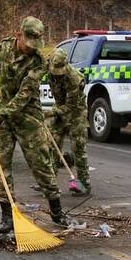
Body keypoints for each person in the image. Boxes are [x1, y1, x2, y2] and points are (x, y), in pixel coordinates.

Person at [0, 16, 66, 233]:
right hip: (4, 117)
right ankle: (7, 216)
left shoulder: (38, 61)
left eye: (35, 43)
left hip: (28, 117)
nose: (31, 47)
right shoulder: (3, 47)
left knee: (41, 165)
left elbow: (23, 96)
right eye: (28, 42)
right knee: (1, 165)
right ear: (18, 34)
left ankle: (57, 212)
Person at [47, 48, 90, 194]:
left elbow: (70, 106)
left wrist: (49, 113)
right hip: (59, 107)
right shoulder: (47, 66)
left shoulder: (75, 79)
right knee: (52, 144)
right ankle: (49, 182)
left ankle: (84, 183)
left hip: (76, 112)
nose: (57, 73)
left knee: (78, 148)